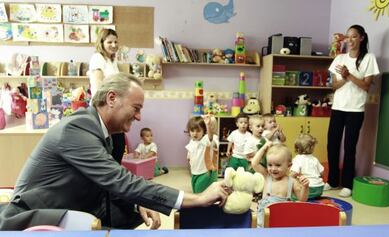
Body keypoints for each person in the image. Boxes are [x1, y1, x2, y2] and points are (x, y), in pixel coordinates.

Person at [0, 73, 229, 230]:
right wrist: (197, 199)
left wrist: (139, 202)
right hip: (41, 213)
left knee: (138, 209)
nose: (139, 117)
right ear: (111, 98)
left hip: (82, 201)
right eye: (136, 108)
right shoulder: (76, 129)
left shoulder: (112, 134)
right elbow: (121, 181)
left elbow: (111, 181)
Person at [325, 25, 380, 197]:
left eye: (354, 36)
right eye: (348, 37)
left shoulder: (369, 58)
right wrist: (344, 77)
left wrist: (349, 75)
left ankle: (347, 183)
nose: (350, 40)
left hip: (355, 110)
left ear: (362, 38)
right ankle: (333, 181)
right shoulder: (340, 58)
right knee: (332, 144)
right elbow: (334, 85)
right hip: (338, 108)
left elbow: (365, 86)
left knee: (350, 147)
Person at [252, 142, 309, 227]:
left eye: (278, 165)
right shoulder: (267, 176)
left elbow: (302, 200)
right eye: (270, 165)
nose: (273, 168)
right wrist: (264, 148)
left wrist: (305, 187)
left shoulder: (292, 181)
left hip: (283, 220)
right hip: (264, 220)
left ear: (289, 166)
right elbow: (254, 163)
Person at [89, 28, 124, 165]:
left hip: (114, 107)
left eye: (116, 42)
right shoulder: (98, 58)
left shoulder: (112, 60)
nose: (114, 45)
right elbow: (98, 85)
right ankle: (108, 181)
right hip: (103, 107)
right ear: (102, 42)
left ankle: (115, 180)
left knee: (118, 147)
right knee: (108, 148)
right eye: (110, 42)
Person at [186, 115, 219, 193]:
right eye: (192, 131)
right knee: (195, 190)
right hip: (195, 171)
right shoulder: (192, 141)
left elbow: (210, 137)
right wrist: (188, 157)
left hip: (204, 172)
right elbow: (191, 151)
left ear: (204, 131)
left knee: (199, 192)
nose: (195, 133)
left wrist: (207, 125)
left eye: (198, 131)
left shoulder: (205, 140)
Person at [291, 134, 324, 199]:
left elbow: (294, 173)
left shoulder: (297, 159)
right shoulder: (315, 159)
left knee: (292, 183)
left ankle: (299, 198)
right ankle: (314, 197)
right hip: (319, 188)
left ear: (297, 148)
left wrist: (286, 178)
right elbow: (322, 172)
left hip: (308, 189)